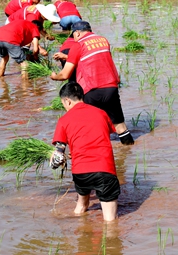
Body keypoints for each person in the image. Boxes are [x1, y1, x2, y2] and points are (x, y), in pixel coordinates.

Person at [51, 21, 134, 145]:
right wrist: (67, 57)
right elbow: (91, 57)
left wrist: (54, 76)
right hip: (111, 87)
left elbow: (65, 75)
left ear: (77, 33)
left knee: (90, 126)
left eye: (73, 35)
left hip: (91, 89)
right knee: (120, 125)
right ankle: (128, 151)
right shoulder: (103, 40)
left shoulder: (78, 45)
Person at [50, 82, 120, 222]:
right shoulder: (101, 113)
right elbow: (105, 134)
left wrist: (56, 159)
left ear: (67, 101)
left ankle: (80, 233)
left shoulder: (64, 120)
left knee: (81, 206)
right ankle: (111, 242)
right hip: (103, 169)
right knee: (110, 220)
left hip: (80, 172)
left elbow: (59, 150)